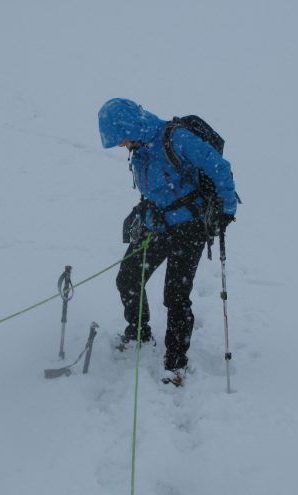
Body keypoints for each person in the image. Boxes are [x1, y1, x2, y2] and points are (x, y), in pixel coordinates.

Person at [97, 98, 238, 386]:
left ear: (132, 126)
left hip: (189, 227)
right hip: (156, 223)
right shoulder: (139, 147)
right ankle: (139, 333)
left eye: (123, 139)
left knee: (175, 296)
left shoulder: (176, 138)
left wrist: (226, 210)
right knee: (128, 278)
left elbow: (219, 167)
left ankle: (175, 363)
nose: (124, 146)